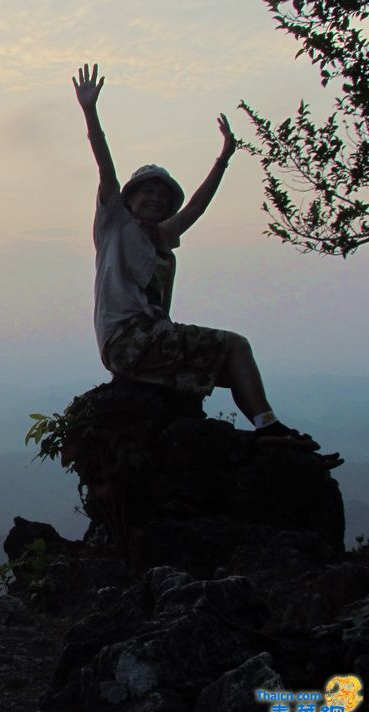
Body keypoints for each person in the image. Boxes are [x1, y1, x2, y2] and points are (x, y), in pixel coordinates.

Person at [72, 62, 339, 462]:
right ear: (128, 198)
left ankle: (270, 435)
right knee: (235, 345)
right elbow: (105, 166)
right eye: (146, 192)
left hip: (148, 339)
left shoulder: (161, 238)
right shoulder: (114, 225)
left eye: (162, 197)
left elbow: (196, 207)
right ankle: (268, 426)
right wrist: (90, 112)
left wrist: (223, 159)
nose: (155, 199)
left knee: (231, 368)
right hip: (128, 338)